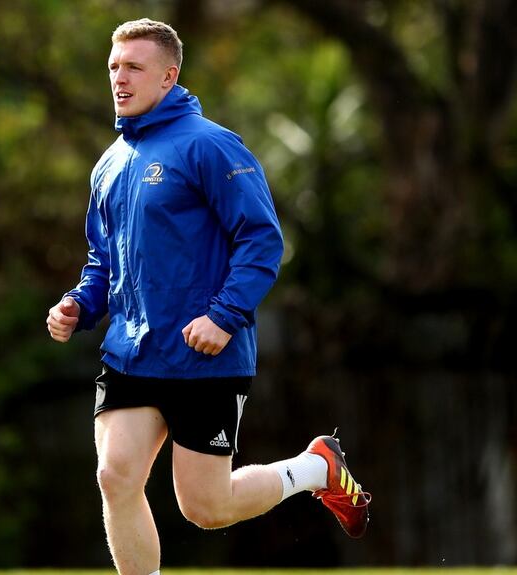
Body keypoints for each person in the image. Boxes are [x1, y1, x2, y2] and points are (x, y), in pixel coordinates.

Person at [45, 18, 370, 575]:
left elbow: (262, 240)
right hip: (131, 353)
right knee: (114, 476)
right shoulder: (109, 164)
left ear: (169, 76)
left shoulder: (211, 145)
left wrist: (223, 318)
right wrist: (80, 304)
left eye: (133, 68)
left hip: (205, 357)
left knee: (206, 508)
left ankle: (316, 470)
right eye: (113, 68)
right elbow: (106, 261)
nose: (119, 79)